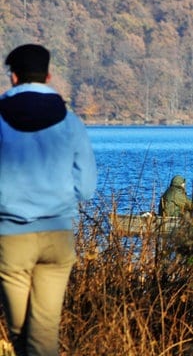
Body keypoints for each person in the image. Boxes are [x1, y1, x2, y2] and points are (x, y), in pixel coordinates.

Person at [0, 44, 97, 356]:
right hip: (58, 235)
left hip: (11, 236)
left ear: (13, 78)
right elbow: (87, 187)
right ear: (49, 75)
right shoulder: (70, 122)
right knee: (43, 332)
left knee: (19, 332)